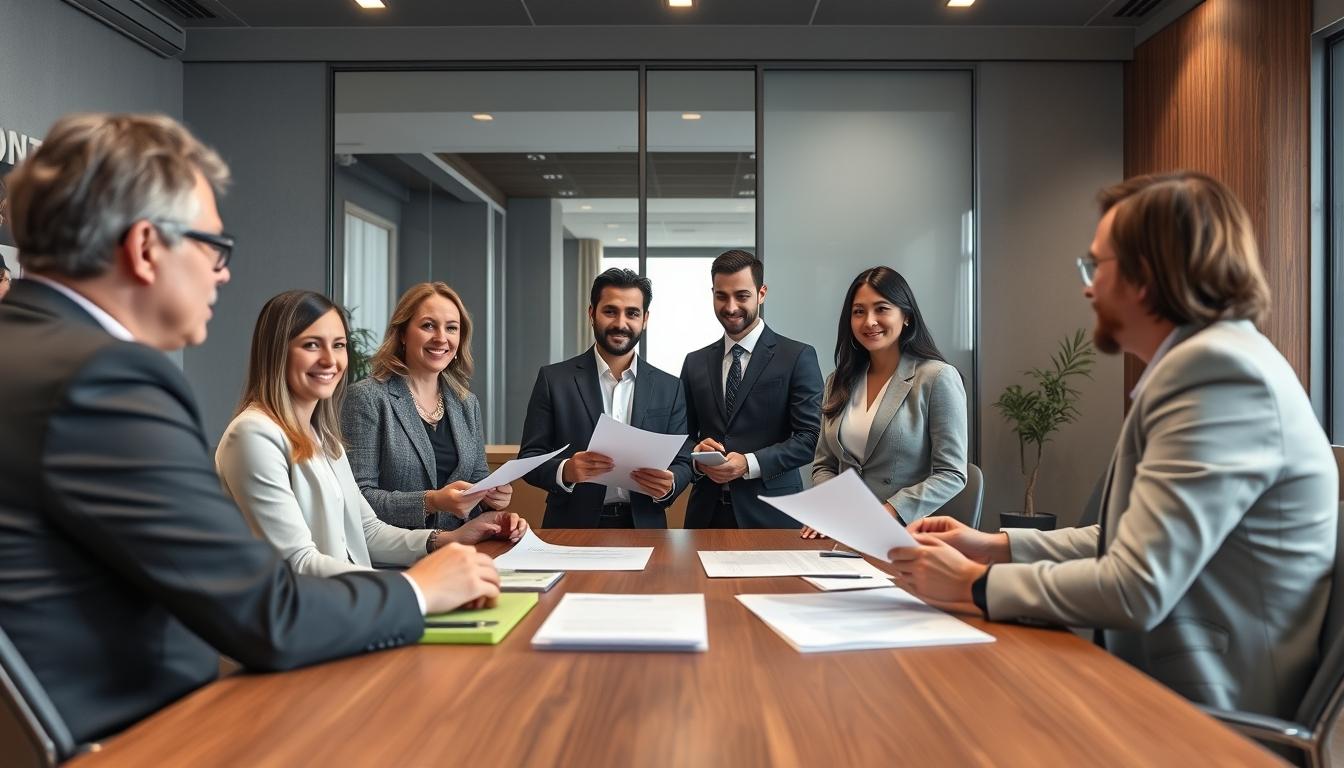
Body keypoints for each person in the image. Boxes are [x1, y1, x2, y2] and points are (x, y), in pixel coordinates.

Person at [0, 113, 499, 744]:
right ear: (147, 246)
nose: (222, 272)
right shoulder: (107, 381)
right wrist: (417, 594)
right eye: (213, 246)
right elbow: (268, 612)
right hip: (136, 738)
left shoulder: (28, 349)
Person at [890, 171, 1337, 719]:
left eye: (1095, 266)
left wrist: (980, 586)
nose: (1087, 287)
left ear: (1145, 275)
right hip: (1158, 674)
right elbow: (1128, 540)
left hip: (1207, 706)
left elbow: (1138, 584)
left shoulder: (1218, 373)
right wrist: (995, 546)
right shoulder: (1204, 362)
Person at [217, 290, 525, 578]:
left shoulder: (323, 438)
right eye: (312, 344)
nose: (330, 360)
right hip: (309, 615)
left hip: (351, 602)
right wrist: (421, 583)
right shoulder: (252, 436)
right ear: (276, 352)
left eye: (338, 345)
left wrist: (448, 539)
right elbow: (298, 562)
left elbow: (366, 530)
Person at [519, 268, 694, 528]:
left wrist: (671, 483)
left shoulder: (670, 387)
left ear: (645, 319)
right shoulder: (554, 380)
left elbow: (683, 459)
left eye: (632, 313)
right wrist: (565, 470)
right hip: (571, 527)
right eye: (610, 311)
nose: (621, 323)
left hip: (645, 527)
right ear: (592, 313)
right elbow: (529, 457)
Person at [343, 282, 517, 533]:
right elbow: (359, 498)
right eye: (428, 326)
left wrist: (492, 498)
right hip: (395, 556)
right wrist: (432, 502)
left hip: (461, 549)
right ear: (402, 334)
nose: (441, 338)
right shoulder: (367, 398)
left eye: (451, 328)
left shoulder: (467, 404)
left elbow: (477, 481)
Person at [806, 266, 968, 536]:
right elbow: (824, 464)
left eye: (881, 309)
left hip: (905, 532)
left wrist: (889, 512)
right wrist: (829, 508)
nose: (869, 321)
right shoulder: (838, 381)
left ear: (906, 316)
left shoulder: (936, 377)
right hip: (843, 532)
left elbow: (952, 473)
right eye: (859, 312)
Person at [680, 249, 823, 528]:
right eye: (721, 296)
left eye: (742, 296)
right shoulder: (694, 362)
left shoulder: (797, 356)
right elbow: (680, 437)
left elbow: (811, 437)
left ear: (762, 293)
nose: (731, 307)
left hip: (773, 516)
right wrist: (697, 454)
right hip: (705, 517)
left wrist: (749, 463)